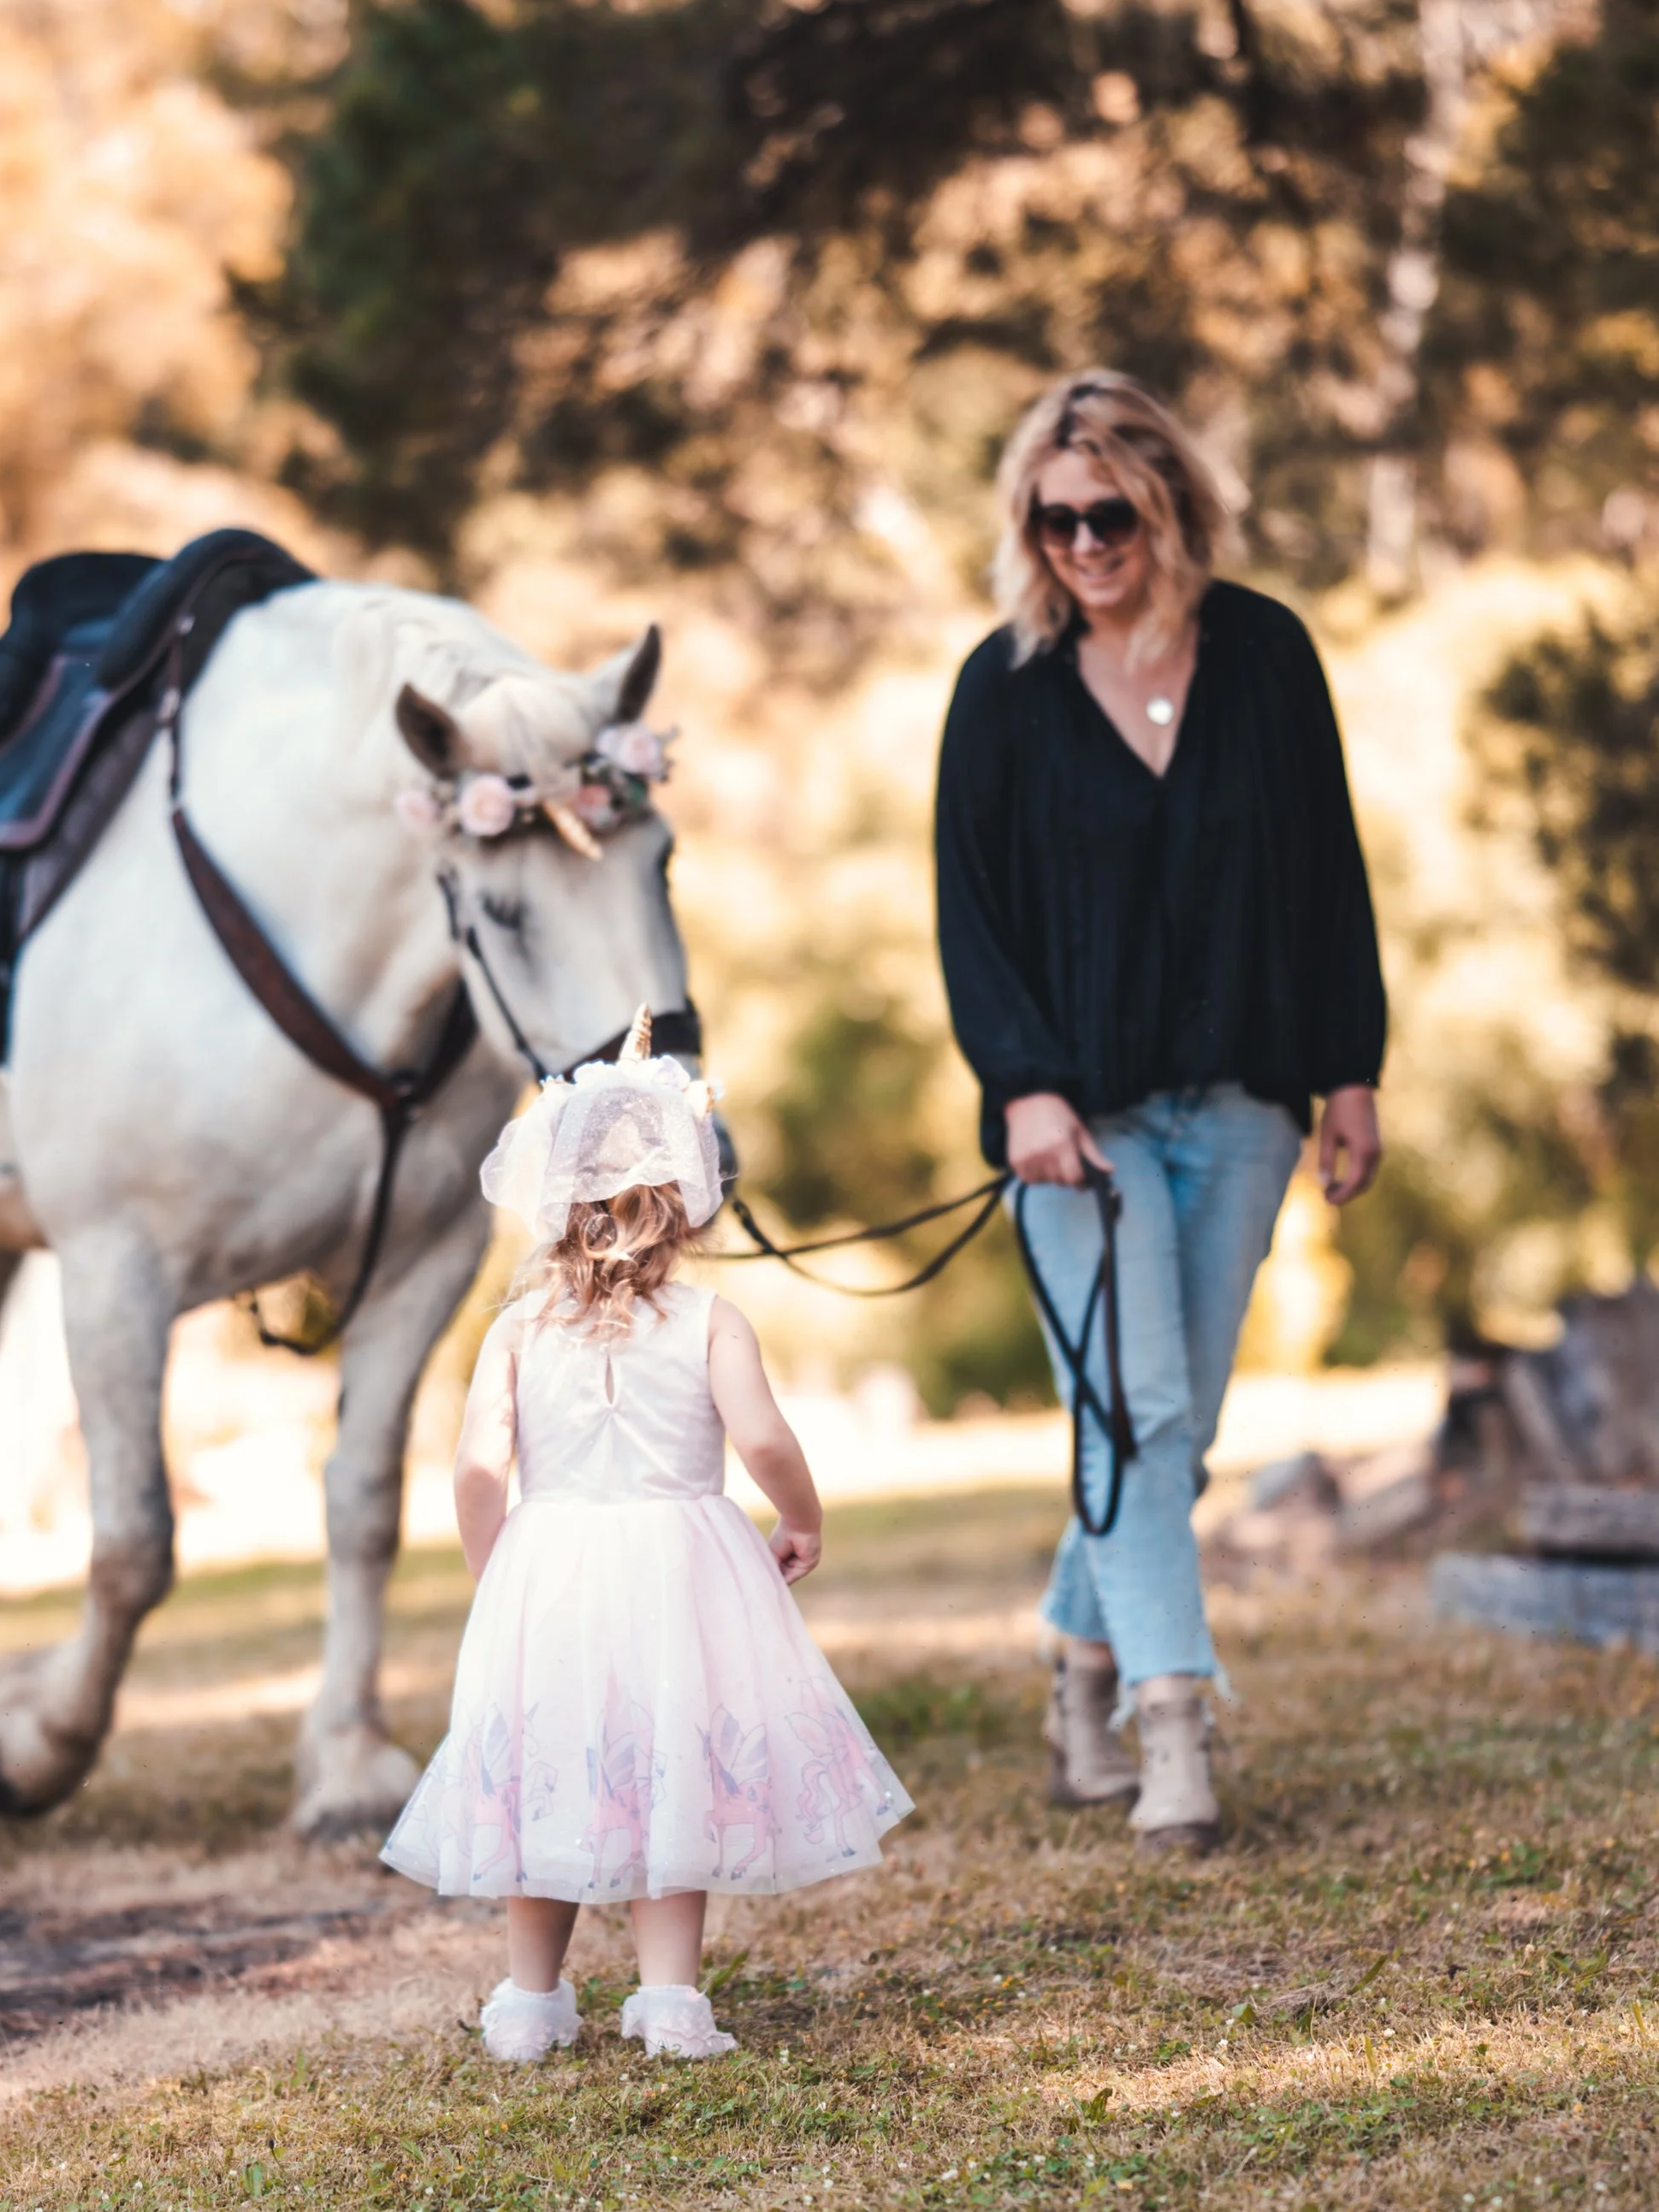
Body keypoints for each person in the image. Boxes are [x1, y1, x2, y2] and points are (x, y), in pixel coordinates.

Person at [934, 370, 1385, 1854]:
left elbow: (1326, 874)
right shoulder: (1000, 689)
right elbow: (972, 917)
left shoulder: (1265, 655)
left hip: (1248, 1102)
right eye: (1053, 519)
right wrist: (1023, 1088)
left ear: (1170, 502)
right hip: (1080, 1124)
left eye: (1108, 514)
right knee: (1135, 1418)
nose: (1081, 544)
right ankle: (1170, 1724)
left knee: (1171, 1437)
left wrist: (1352, 1070)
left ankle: (1074, 1660)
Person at [381, 1012, 912, 2060]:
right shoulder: (712, 1318)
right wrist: (798, 1516)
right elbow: (760, 1435)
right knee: (673, 1767)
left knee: (547, 1772)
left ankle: (529, 2003)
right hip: (681, 1574)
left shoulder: (518, 1328)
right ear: (687, 1201)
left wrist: (498, 1567)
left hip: (554, 1569)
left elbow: (477, 1463)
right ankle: (670, 2000)